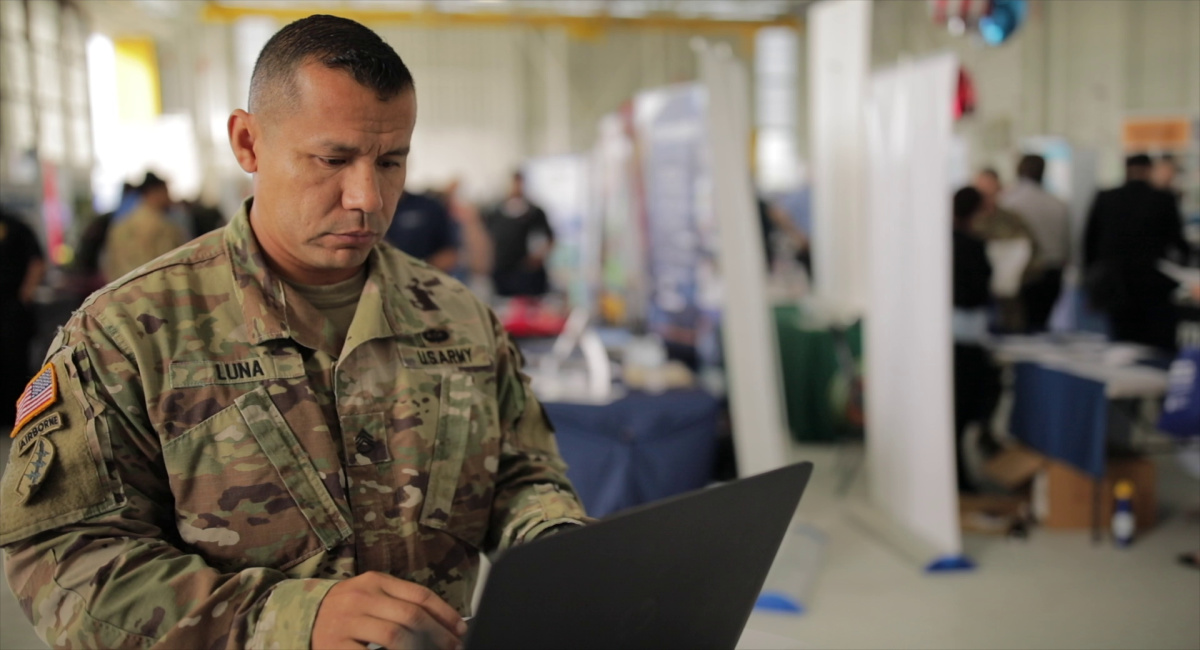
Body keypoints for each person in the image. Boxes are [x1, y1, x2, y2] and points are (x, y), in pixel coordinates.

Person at [1, 15, 587, 650]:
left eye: (391, 161)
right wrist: (285, 621)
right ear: (248, 143)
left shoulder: (458, 318)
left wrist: (564, 553)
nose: (367, 195)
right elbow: (61, 562)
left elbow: (525, 475)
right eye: (332, 159)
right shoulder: (128, 334)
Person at [1083, 154, 1189, 352]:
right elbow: (1178, 244)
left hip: (1115, 283)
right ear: (1149, 170)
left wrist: (1089, 280)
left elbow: (1089, 242)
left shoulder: (1106, 198)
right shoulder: (1163, 199)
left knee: (1123, 340)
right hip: (1153, 285)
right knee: (1156, 343)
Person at [951, 187, 1000, 492]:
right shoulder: (969, 246)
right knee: (963, 411)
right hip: (965, 337)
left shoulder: (950, 243)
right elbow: (974, 293)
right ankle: (960, 481)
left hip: (959, 335)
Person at [999, 154, 1071, 332]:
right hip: (1053, 271)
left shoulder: (1008, 202)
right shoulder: (1058, 203)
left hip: (1023, 272)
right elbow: (1067, 243)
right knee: (1041, 324)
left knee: (1018, 326)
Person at [973, 168, 1039, 333]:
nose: (986, 194)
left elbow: (1032, 252)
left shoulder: (1012, 219)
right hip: (976, 301)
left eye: (990, 188)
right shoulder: (967, 222)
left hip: (1009, 300)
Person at [0, 208, 45, 430]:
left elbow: (37, 260)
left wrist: (25, 295)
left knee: (14, 361)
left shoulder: (14, 225)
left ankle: (16, 415)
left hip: (11, 308)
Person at [100, 172, 186, 281]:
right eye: (166, 192)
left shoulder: (121, 225)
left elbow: (110, 266)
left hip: (124, 293)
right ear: (155, 193)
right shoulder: (165, 227)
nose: (169, 197)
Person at [484, 171, 555, 296]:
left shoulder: (535, 212)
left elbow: (550, 237)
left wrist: (538, 258)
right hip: (502, 271)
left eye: (519, 183)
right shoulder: (494, 212)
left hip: (527, 273)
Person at [384, 189, 460, 272]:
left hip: (428, 277)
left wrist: (417, 271)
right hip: (386, 275)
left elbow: (450, 254)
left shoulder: (429, 206)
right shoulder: (374, 210)